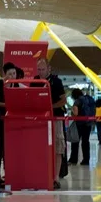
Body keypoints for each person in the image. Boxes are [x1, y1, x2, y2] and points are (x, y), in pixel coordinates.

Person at [35, 58, 67, 189]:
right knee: (40, 146)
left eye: (43, 69)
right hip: (40, 119)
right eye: (38, 69)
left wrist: (51, 107)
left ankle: (56, 177)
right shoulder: (35, 81)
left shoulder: (56, 82)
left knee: (58, 146)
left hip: (56, 118)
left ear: (49, 68)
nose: (40, 72)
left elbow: (63, 100)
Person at [68, 89, 93, 166]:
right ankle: (86, 160)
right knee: (85, 142)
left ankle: (73, 159)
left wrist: (72, 111)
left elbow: (75, 113)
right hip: (88, 123)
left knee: (75, 141)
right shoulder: (88, 99)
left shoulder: (77, 101)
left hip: (79, 124)